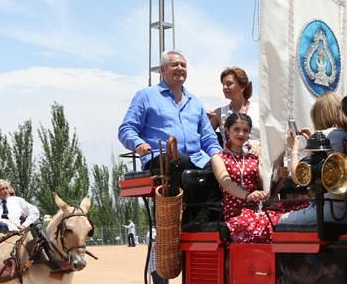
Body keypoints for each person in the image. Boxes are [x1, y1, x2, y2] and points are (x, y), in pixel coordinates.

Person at [118, 49, 222, 177]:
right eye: (175, 65)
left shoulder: (195, 103)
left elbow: (208, 138)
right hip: (161, 159)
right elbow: (126, 129)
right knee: (180, 162)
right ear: (162, 70)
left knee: (221, 168)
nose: (180, 68)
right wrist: (138, 144)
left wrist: (220, 158)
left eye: (183, 65)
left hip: (197, 160)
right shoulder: (146, 96)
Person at [212, 113, 308, 243]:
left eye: (245, 131)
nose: (241, 134)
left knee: (302, 208)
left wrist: (280, 179)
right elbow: (227, 184)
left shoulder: (253, 158)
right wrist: (248, 195)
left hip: (259, 209)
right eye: (236, 129)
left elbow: (267, 191)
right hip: (236, 213)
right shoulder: (218, 158)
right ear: (227, 130)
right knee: (271, 224)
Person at [277, 92, 347, 227]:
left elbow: (298, 177)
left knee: (281, 220)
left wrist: (294, 146)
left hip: (335, 211)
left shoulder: (325, 135)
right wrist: (311, 142)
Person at [207, 66, 257, 150]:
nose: (224, 87)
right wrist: (204, 119)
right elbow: (204, 136)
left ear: (242, 86)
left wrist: (261, 148)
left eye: (229, 84)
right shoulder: (219, 113)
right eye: (223, 84)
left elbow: (272, 136)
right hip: (229, 160)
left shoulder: (259, 110)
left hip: (258, 159)